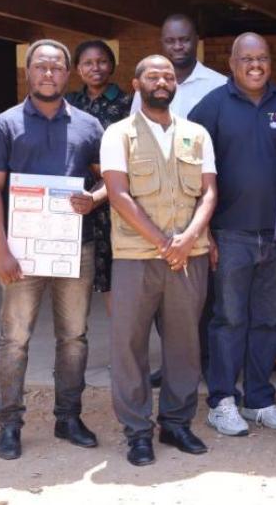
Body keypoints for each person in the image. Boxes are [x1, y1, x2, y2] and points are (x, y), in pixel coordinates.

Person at [0, 39, 107, 461]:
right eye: (40, 67)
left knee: (73, 337)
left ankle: (68, 417)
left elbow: (110, 180)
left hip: (75, 247)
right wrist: (0, 248)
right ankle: (10, 424)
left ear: (66, 74)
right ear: (28, 72)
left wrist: (96, 198)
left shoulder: (89, 126)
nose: (48, 74)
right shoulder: (5, 125)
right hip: (22, 250)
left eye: (56, 68)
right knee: (14, 338)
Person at [103, 54, 218, 467]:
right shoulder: (119, 134)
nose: (162, 81)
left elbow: (208, 193)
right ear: (136, 84)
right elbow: (117, 193)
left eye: (168, 76)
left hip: (190, 255)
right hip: (137, 256)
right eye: (153, 75)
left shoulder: (197, 134)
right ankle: (137, 431)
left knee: (184, 344)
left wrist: (187, 240)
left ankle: (176, 423)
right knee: (129, 345)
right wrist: (162, 242)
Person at [189, 34, 276, 437]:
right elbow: (190, 166)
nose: (255, 65)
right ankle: (221, 401)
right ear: (231, 63)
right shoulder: (213, 105)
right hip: (229, 232)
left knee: (268, 320)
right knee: (229, 319)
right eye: (246, 58)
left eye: (262, 58)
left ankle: (259, 399)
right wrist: (204, 232)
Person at [65, 39, 133, 310]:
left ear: (112, 65)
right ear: (78, 69)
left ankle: (122, 340)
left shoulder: (127, 103)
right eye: (88, 63)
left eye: (102, 61)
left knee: (112, 276)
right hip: (73, 200)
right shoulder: (69, 102)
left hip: (113, 203)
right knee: (71, 277)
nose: (96, 68)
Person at [129, 14, 227, 118]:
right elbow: (135, 125)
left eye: (184, 40)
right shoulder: (146, 84)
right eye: (170, 41)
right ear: (162, 43)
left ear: (196, 40)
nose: (177, 47)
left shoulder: (219, 85)